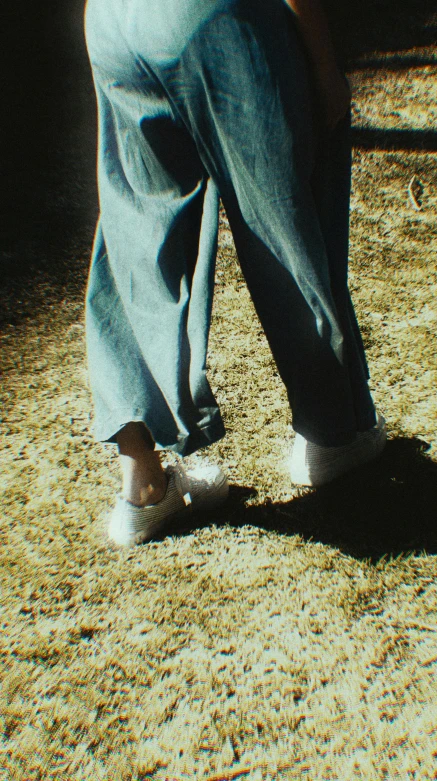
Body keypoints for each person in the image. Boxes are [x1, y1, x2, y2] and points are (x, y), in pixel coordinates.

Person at [84, 0, 386, 546]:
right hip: (214, 16)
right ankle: (330, 438)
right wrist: (322, 65)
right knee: (287, 213)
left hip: (112, 21)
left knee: (134, 234)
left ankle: (143, 484)